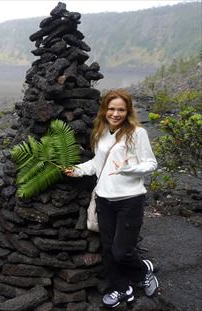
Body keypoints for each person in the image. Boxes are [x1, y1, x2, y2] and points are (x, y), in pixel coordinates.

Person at [64, 89, 159, 308]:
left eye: (121, 109)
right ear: (104, 110)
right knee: (107, 249)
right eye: (112, 108)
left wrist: (129, 169)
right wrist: (76, 170)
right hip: (104, 199)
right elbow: (97, 165)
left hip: (130, 200)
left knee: (122, 250)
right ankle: (121, 287)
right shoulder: (102, 132)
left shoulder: (137, 133)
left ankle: (144, 270)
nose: (115, 113)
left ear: (128, 111)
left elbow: (151, 163)